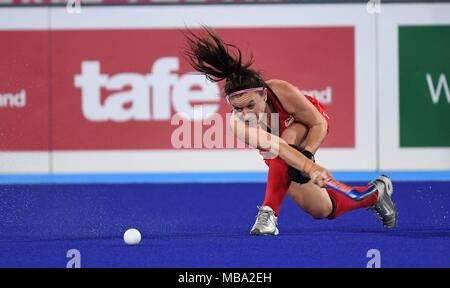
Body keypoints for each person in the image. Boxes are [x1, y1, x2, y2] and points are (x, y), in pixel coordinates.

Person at [185, 28, 398, 235]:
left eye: (251, 105)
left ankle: (268, 214)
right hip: (280, 145)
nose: (246, 113)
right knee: (322, 209)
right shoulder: (238, 125)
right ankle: (375, 194)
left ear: (264, 95)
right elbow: (276, 146)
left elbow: (317, 124)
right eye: (238, 108)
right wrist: (307, 166)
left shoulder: (280, 90)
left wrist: (309, 159)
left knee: (286, 142)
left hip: (307, 123)